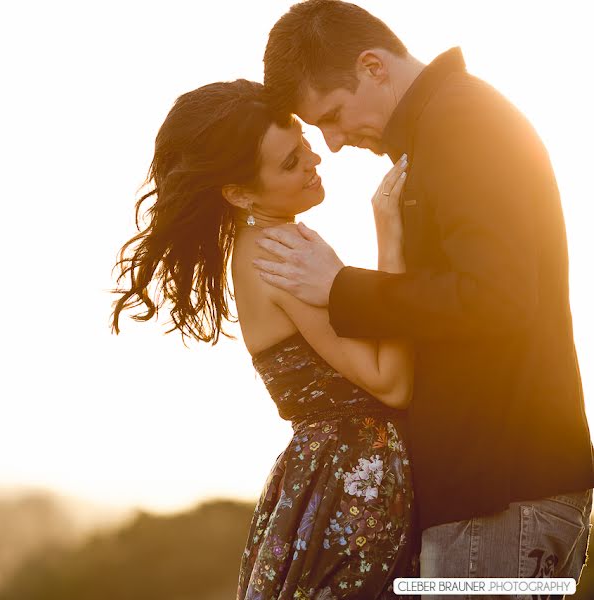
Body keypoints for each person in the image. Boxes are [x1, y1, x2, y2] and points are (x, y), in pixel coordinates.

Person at [258, 0, 594, 586]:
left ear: (373, 66)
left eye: (333, 115)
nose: (332, 144)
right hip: (492, 493)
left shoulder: (462, 124)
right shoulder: (446, 124)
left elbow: (498, 296)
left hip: (501, 492)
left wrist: (342, 287)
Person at [111, 79, 419, 598]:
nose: (314, 160)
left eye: (302, 143)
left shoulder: (271, 243)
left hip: (335, 474)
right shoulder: (277, 253)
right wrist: (389, 234)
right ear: (239, 193)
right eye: (289, 162)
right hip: (349, 481)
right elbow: (390, 384)